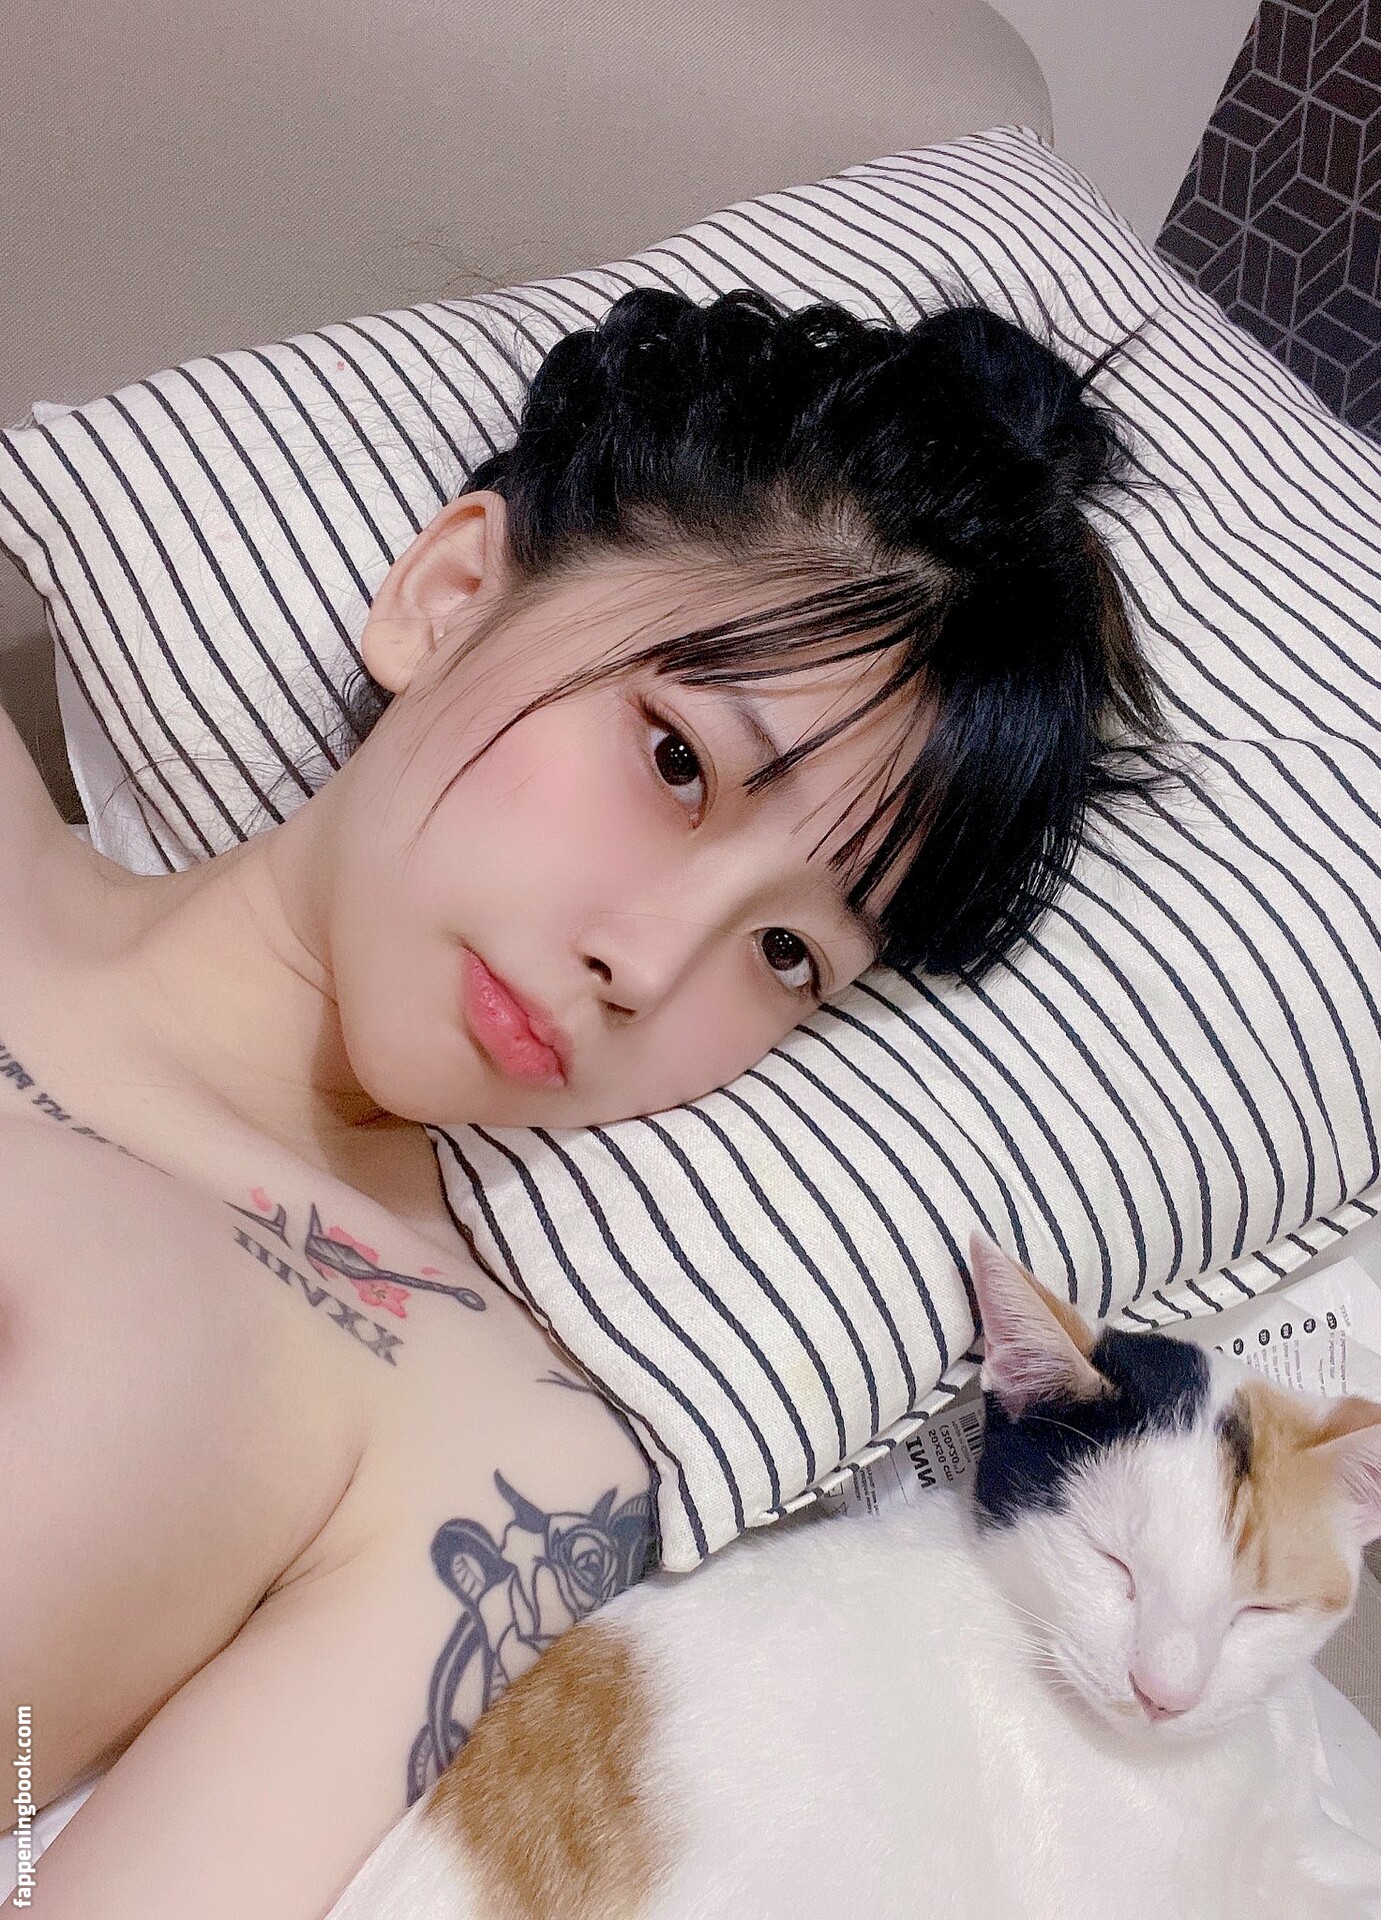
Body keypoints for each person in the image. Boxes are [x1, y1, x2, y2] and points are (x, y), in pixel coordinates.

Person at [0, 286, 1168, 1917]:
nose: (648, 963)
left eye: (785, 953)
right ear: (446, 599)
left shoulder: (486, 1441)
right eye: (676, 762)